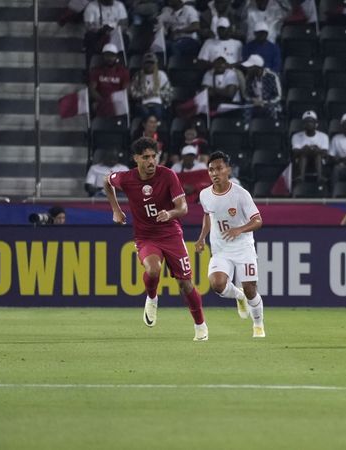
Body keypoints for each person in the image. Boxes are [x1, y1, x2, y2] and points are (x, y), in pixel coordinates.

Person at [103, 137, 208, 341]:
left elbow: (183, 208)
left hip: (171, 235)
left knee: (185, 283)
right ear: (136, 159)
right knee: (153, 269)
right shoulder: (126, 178)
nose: (151, 161)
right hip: (146, 237)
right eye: (146, 157)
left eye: (154, 156)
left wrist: (170, 214)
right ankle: (152, 298)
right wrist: (115, 209)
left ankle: (200, 325)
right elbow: (106, 181)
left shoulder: (167, 175)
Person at [195, 151, 266, 337]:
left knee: (251, 289)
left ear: (228, 170)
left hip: (243, 248)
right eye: (211, 170)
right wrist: (202, 237)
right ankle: (238, 295)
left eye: (219, 168)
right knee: (217, 284)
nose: (214, 173)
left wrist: (239, 229)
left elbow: (258, 221)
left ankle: (258, 324)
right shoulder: (205, 194)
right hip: (221, 250)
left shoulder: (241, 194)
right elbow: (208, 215)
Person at [88, 44, 130, 118]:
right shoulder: (96, 71)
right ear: (103, 56)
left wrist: (113, 100)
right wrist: (103, 100)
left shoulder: (123, 72)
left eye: (112, 55)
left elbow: (125, 91)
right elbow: (92, 90)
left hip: (117, 102)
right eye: (107, 55)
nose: (109, 58)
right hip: (101, 100)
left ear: (116, 57)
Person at [129, 52, 171, 121]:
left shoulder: (162, 75)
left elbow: (169, 94)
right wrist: (144, 94)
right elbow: (133, 93)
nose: (149, 65)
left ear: (155, 64)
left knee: (157, 112)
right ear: (143, 64)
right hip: (143, 103)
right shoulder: (138, 76)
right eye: (147, 63)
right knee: (145, 113)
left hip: (158, 103)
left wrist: (157, 93)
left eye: (151, 63)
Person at [291, 110, 330, 183]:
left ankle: (320, 177)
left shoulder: (324, 136)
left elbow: (325, 153)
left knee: (317, 154)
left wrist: (318, 150)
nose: (309, 124)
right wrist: (303, 149)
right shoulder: (296, 136)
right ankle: (301, 177)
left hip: (319, 160)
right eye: (306, 121)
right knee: (303, 154)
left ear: (316, 124)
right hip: (301, 160)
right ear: (303, 124)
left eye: (311, 121)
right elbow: (295, 152)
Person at [241, 54, 282, 121]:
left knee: (272, 109)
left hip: (270, 104)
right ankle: (246, 128)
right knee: (246, 107)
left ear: (257, 67)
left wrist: (264, 102)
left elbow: (278, 97)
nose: (247, 69)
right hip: (254, 104)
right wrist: (253, 100)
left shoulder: (272, 76)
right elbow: (246, 94)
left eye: (250, 67)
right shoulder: (249, 77)